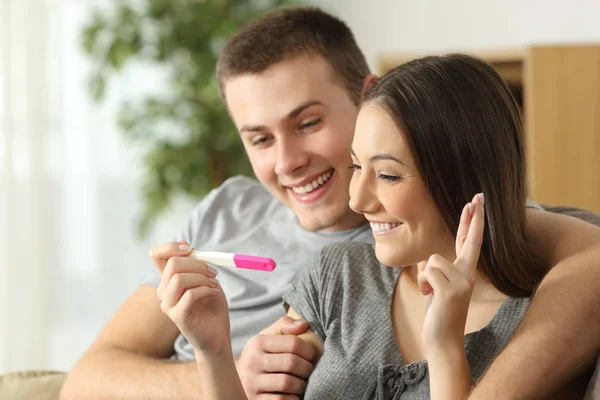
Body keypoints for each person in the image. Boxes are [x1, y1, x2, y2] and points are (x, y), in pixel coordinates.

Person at [60, 7, 600, 400]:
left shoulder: (454, 233)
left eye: (309, 123)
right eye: (260, 139)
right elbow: (86, 380)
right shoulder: (231, 210)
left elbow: (585, 259)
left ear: (367, 98)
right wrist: (219, 362)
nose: (288, 161)